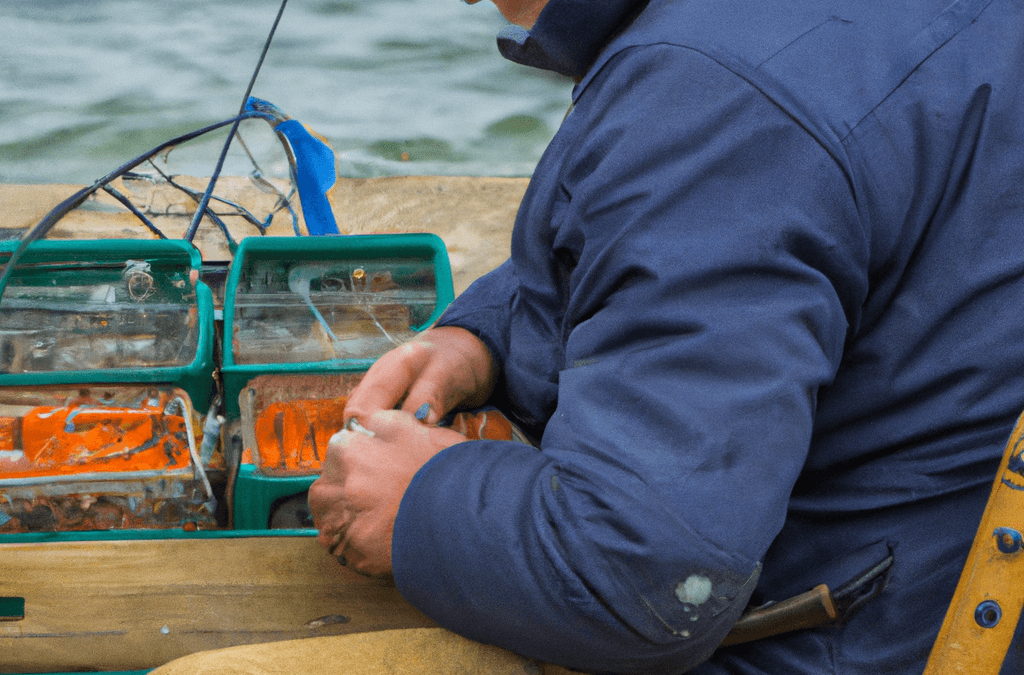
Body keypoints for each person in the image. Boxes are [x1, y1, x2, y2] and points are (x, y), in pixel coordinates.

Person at [159, 0, 1024, 672]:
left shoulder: (710, 96)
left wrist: (420, 507)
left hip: (870, 632)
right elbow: (721, 243)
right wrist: (487, 338)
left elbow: (654, 577)